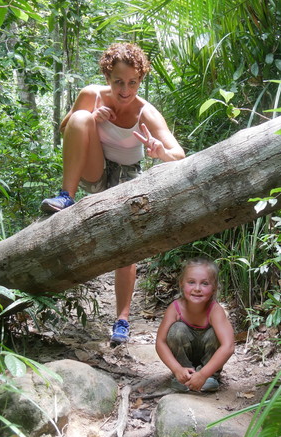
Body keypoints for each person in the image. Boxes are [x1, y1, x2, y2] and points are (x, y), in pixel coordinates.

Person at [41, 42, 185, 345]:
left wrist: (159, 152)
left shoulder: (145, 111)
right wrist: (95, 117)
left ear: (140, 79)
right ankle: (65, 196)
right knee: (82, 118)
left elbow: (179, 154)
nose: (125, 89)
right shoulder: (91, 94)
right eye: (118, 81)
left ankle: (121, 319)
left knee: (126, 249)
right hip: (95, 171)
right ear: (108, 77)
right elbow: (67, 127)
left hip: (127, 180)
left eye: (132, 82)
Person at [155, 258, 235, 392]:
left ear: (214, 287)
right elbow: (160, 342)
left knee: (215, 334)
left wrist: (204, 374)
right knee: (176, 330)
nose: (197, 289)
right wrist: (177, 369)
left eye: (205, 283)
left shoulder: (215, 310)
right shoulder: (175, 308)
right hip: (183, 363)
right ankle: (184, 377)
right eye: (191, 282)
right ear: (182, 283)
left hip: (208, 365)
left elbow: (228, 346)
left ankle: (210, 377)